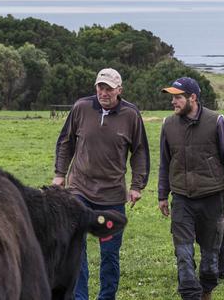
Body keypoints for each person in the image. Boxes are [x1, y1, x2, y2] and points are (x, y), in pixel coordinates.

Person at [53, 68, 150, 300]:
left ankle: (106, 297)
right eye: (100, 87)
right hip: (79, 191)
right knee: (76, 250)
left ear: (119, 90)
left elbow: (139, 151)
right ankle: (79, 297)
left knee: (109, 254)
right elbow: (66, 142)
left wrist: (137, 186)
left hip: (112, 197)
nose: (103, 93)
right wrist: (59, 174)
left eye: (108, 88)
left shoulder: (130, 115)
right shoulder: (81, 108)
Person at [158, 77, 224, 300]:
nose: (173, 102)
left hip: (211, 199)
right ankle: (190, 295)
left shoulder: (216, 121)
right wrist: (162, 195)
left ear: (192, 98)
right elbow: (165, 162)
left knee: (210, 260)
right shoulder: (168, 124)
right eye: (172, 97)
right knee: (184, 255)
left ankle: (206, 292)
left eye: (177, 97)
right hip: (182, 200)